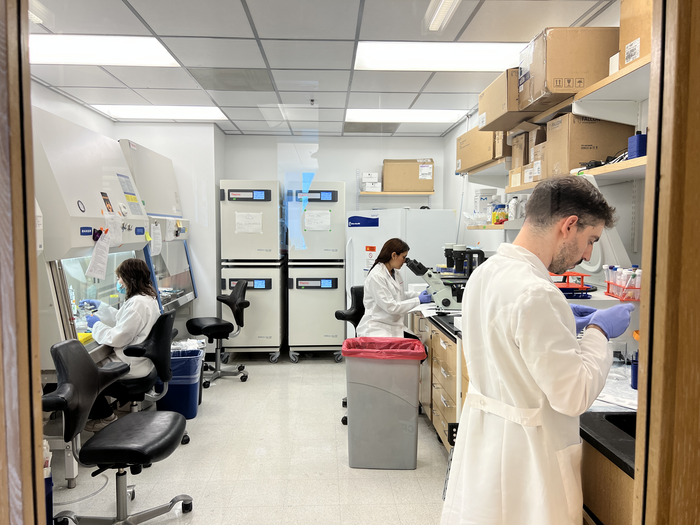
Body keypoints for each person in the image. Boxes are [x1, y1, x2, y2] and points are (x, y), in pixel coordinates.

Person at [441, 176, 635, 525]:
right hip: (529, 461)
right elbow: (573, 395)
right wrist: (598, 331)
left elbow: (510, 341)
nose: (588, 254)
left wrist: (562, 324)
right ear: (569, 225)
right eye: (590, 240)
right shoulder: (536, 292)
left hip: (488, 447)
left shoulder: (485, 274)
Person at [79, 258, 160, 432]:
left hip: (131, 364)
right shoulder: (146, 298)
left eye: (120, 278)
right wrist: (101, 307)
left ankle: (106, 417)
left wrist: (96, 326)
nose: (118, 282)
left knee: (83, 374)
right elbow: (124, 321)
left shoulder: (137, 304)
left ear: (129, 279)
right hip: (141, 361)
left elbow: (118, 337)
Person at [356, 238, 431, 338]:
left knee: (417, 344)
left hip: (393, 326)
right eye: (403, 257)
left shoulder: (395, 273)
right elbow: (391, 306)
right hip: (378, 329)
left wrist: (422, 294)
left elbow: (400, 295)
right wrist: (418, 300)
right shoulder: (377, 276)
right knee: (415, 347)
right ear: (394, 255)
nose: (405, 261)